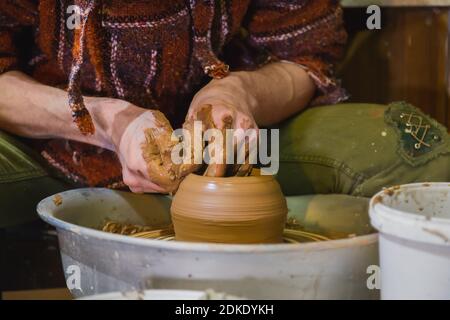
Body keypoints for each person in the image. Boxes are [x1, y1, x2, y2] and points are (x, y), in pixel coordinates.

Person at [0, 1, 449, 227]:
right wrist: (109, 123)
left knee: (416, 149)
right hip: (55, 144)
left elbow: (308, 55)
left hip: (241, 143)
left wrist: (236, 93)